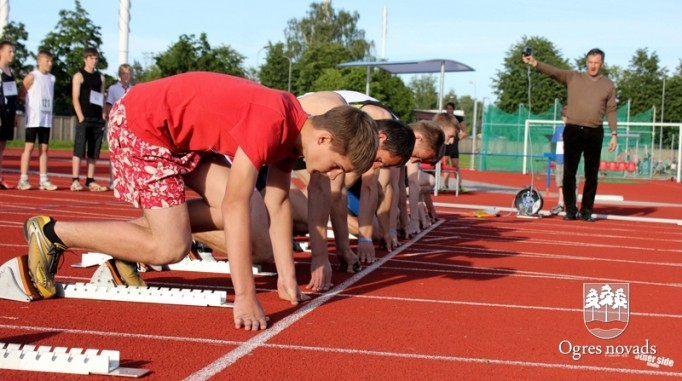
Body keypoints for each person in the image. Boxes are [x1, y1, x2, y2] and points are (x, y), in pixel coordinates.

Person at [23, 72, 379, 331]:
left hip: (178, 138)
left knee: (255, 218)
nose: (332, 175)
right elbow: (233, 205)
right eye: (336, 165)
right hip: (140, 127)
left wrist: (287, 276)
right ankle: (53, 233)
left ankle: (133, 240)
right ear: (324, 139)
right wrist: (244, 295)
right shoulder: (273, 122)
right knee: (170, 246)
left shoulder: (295, 129)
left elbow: (279, 201)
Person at [523, 48, 617, 222]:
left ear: (602, 64)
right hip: (573, 129)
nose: (593, 66)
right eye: (590, 62)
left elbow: (611, 110)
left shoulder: (608, 85)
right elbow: (554, 72)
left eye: (596, 63)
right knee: (569, 172)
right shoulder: (574, 77)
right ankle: (571, 210)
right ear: (586, 63)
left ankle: (587, 211)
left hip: (595, 131)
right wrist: (535, 63)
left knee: (591, 174)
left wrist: (614, 133)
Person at [16, 50, 58, 191]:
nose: (50, 64)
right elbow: (21, 94)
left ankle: (44, 179)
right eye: (47, 61)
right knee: (29, 146)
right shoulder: (32, 76)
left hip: (46, 119)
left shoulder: (52, 79)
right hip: (33, 118)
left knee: (44, 148)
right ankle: (23, 179)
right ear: (39, 61)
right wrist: (28, 105)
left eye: (51, 61)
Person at [71, 47, 108, 192]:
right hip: (84, 117)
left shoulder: (101, 77)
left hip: (97, 118)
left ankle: (90, 180)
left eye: (96, 58)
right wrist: (80, 117)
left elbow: (102, 98)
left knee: (94, 151)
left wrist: (103, 114)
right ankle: (75, 180)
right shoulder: (79, 76)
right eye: (91, 58)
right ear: (85, 59)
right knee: (79, 150)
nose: (94, 61)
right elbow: (75, 98)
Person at [105, 64, 134, 188]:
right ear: (119, 75)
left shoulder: (133, 89)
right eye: (123, 73)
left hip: (129, 126)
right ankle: (114, 180)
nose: (126, 76)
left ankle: (127, 180)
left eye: (128, 73)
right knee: (115, 153)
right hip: (116, 124)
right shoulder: (113, 89)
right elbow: (108, 106)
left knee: (128, 153)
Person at [549, 105, 580, 215]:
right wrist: (554, 158)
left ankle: (574, 205)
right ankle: (561, 204)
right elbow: (554, 144)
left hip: (572, 161)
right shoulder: (558, 130)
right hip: (560, 161)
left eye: (568, 117)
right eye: (564, 116)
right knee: (560, 183)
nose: (566, 119)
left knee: (574, 184)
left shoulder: (576, 130)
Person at [0, 41, 18, 189]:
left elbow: (12, 96)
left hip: (8, 113)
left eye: (13, 52)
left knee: (2, 146)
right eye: (9, 51)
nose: (12, 54)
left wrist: (15, 114)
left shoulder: (11, 72)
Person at [442, 102, 467, 192]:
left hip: (454, 146)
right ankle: (445, 185)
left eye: (450, 108)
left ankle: (460, 186)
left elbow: (464, 132)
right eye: (447, 108)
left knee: (455, 165)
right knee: (445, 165)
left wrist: (457, 139)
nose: (449, 110)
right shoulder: (443, 119)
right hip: (445, 145)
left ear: (453, 109)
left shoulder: (458, 119)